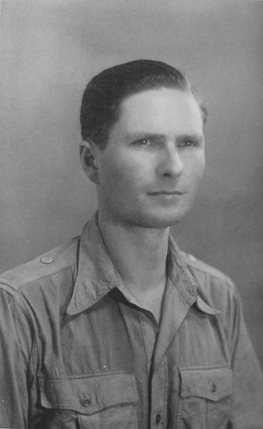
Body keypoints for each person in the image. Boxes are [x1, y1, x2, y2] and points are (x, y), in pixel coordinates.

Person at [0, 59, 262, 429]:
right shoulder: (19, 309)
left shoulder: (220, 298)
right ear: (91, 161)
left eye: (188, 143)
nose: (173, 166)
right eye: (145, 142)